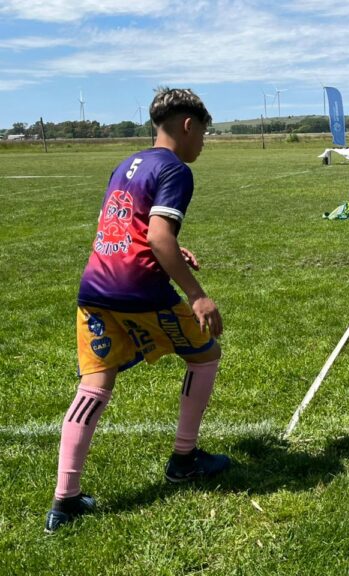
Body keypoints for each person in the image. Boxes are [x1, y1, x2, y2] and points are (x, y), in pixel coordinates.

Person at [45, 87, 229, 533]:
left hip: (94, 287)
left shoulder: (129, 163)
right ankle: (184, 458)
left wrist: (172, 249)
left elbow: (127, 225)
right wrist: (197, 295)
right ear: (187, 125)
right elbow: (157, 238)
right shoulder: (176, 169)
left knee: (94, 386)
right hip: (139, 290)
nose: (203, 143)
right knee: (205, 356)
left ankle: (63, 503)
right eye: (203, 133)